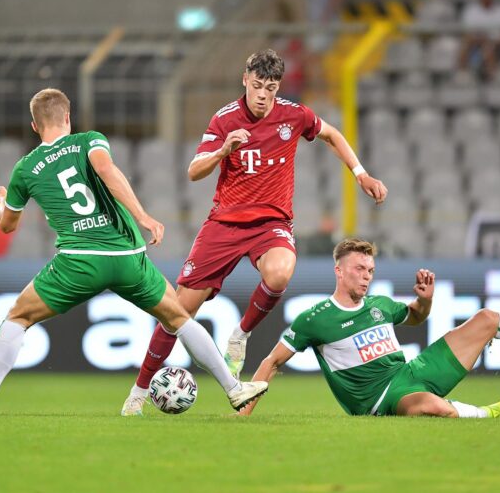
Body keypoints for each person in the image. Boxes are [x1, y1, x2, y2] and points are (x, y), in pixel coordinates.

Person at [0, 88, 267, 417]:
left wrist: (0, 202)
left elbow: (7, 226)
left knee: (18, 317)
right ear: (67, 117)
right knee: (179, 318)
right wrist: (142, 216)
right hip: (127, 257)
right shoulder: (89, 141)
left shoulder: (26, 168)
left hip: (77, 262)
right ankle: (235, 389)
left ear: (34, 126)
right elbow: (107, 171)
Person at [120, 49, 388, 416]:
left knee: (280, 273)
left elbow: (331, 134)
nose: (263, 95)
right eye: (258, 85)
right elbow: (193, 171)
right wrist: (223, 151)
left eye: (271, 88)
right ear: (245, 80)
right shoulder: (225, 119)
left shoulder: (293, 115)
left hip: (271, 224)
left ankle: (241, 335)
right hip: (224, 225)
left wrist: (361, 173)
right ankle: (138, 391)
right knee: (177, 312)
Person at [241, 238, 500, 418]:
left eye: (370, 270)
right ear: (338, 270)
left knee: (487, 319)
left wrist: (426, 301)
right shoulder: (314, 318)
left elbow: (416, 317)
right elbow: (272, 361)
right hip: (380, 400)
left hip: (411, 372)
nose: (367, 276)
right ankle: (487, 415)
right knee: (428, 406)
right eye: (359, 269)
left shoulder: (380, 305)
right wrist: (244, 411)